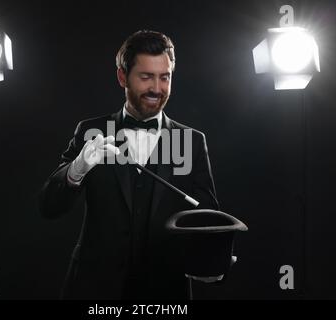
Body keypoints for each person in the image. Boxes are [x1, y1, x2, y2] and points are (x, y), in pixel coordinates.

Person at [39, 30, 219, 300]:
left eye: (164, 77)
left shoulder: (190, 141)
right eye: (146, 77)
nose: (156, 89)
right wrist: (77, 169)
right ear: (123, 76)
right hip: (95, 289)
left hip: (165, 293)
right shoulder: (92, 131)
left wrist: (214, 262)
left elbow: (207, 220)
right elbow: (49, 206)